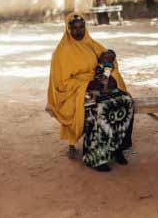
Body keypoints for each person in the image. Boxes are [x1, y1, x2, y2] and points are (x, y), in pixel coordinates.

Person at [47, 13, 133, 172]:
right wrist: (88, 84)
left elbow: (109, 59)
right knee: (99, 108)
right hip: (78, 92)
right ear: (68, 29)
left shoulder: (90, 44)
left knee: (126, 101)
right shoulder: (61, 52)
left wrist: (107, 76)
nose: (79, 32)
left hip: (99, 85)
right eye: (74, 28)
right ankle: (96, 157)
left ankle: (118, 148)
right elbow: (61, 84)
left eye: (81, 27)